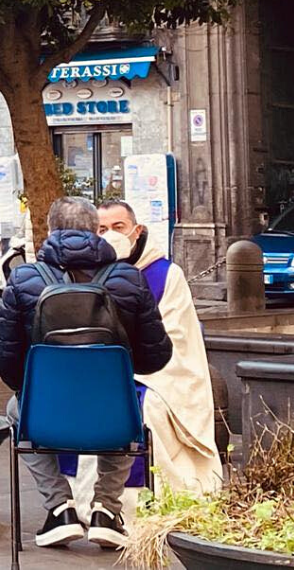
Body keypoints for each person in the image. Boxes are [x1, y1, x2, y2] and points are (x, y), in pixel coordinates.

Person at [0, 196, 172, 549]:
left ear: (50, 230)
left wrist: (26, 389)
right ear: (96, 231)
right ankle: (106, 509)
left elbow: (3, 355)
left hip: (45, 414)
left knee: (16, 411)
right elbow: (157, 355)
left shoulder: (24, 278)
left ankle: (60, 508)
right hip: (112, 414)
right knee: (128, 407)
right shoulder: (129, 279)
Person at [69, 200, 222, 505]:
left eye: (118, 227)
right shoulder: (85, 273)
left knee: (143, 408)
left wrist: (130, 367)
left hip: (156, 376)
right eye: (102, 229)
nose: (110, 234)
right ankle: (83, 502)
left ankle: (132, 504)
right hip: (99, 372)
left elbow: (177, 337)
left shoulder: (166, 275)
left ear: (136, 231)